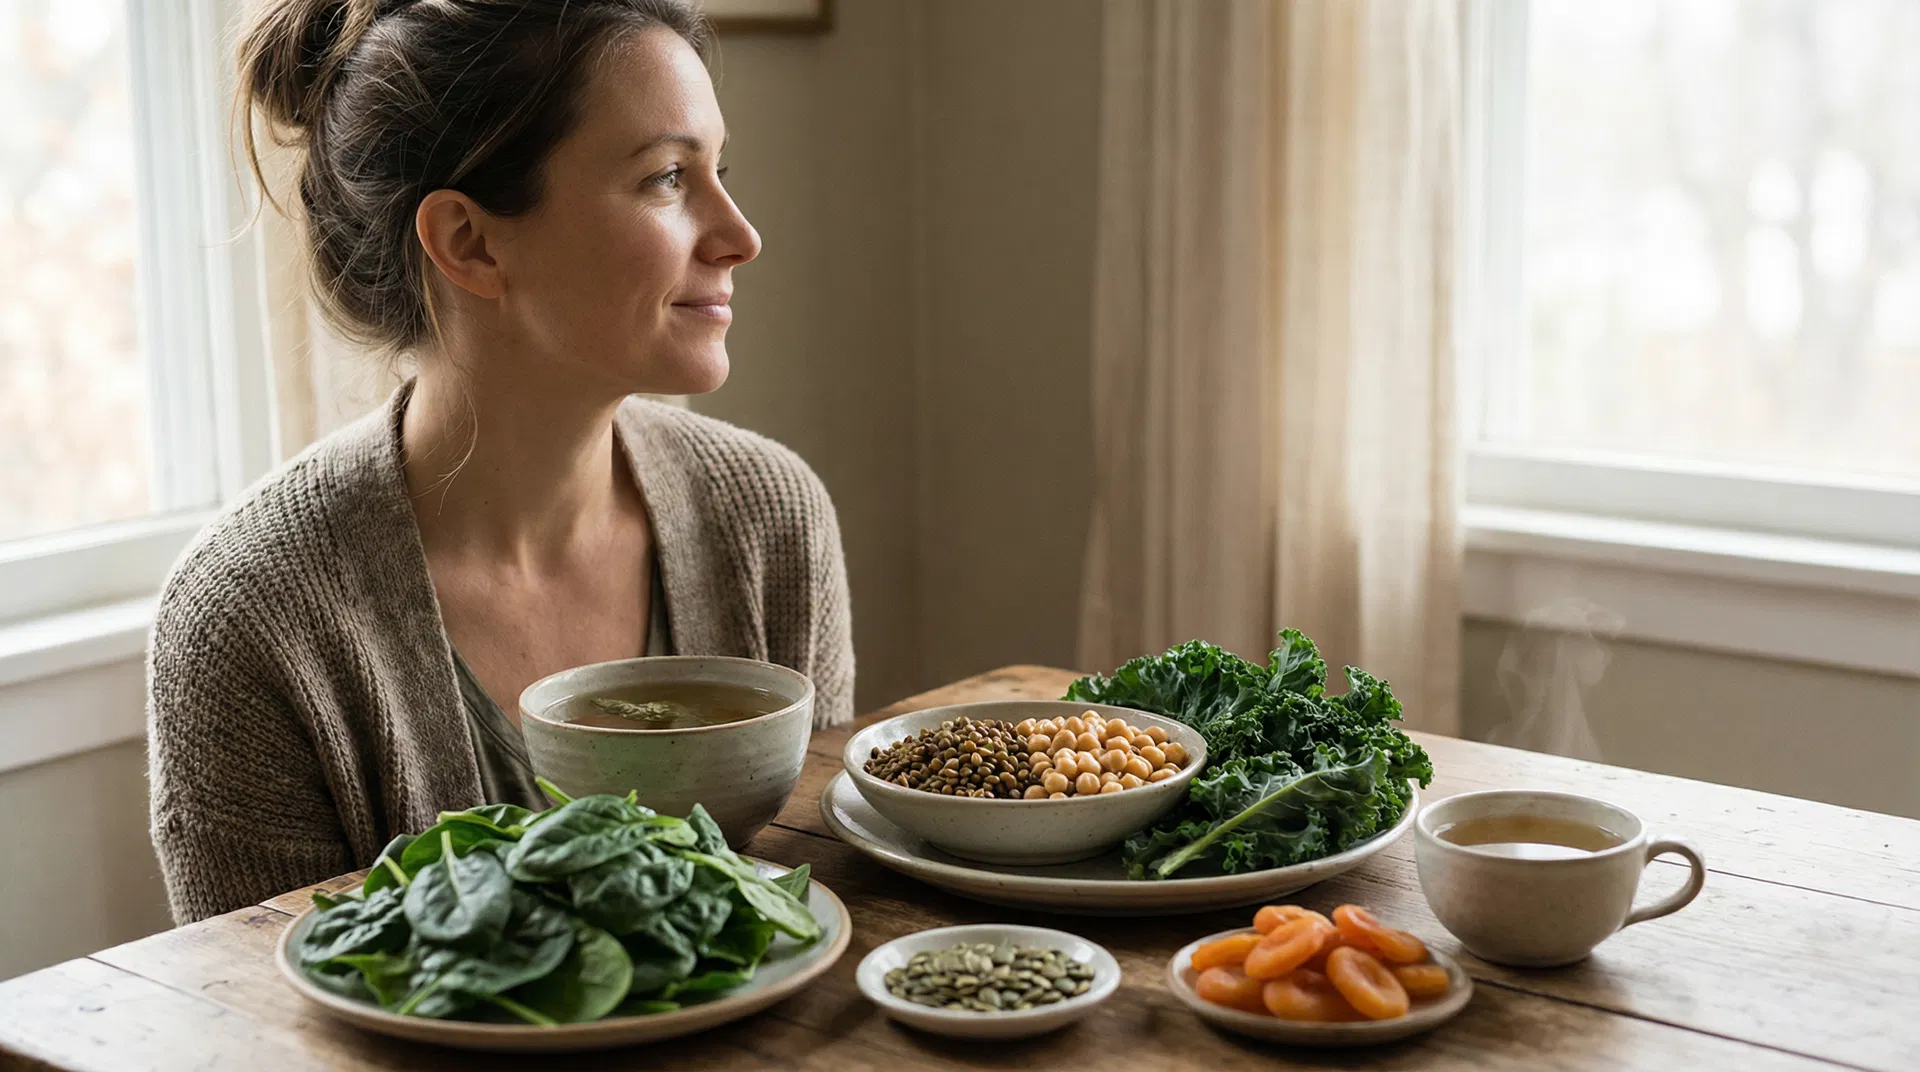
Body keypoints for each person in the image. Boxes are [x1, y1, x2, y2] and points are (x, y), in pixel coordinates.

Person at [146, 0, 852, 924]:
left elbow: (823, 921)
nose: (740, 235)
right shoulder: (251, 617)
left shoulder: (769, 519)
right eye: (668, 178)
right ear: (469, 242)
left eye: (721, 169)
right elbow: (256, 1027)